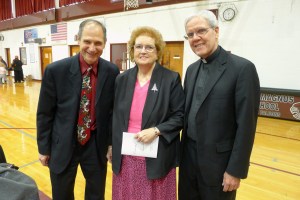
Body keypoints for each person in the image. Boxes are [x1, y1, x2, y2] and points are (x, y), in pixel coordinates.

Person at [179, 10, 260, 200]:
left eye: (201, 31)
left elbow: (246, 126)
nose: (195, 38)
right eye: (190, 34)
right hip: (188, 160)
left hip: (219, 165)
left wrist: (235, 170)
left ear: (216, 31)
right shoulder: (191, 70)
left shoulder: (242, 69)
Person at [37, 19, 119, 200]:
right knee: (62, 194)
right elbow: (45, 113)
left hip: (95, 144)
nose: (92, 47)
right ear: (78, 40)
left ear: (104, 43)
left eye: (98, 43)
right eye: (87, 41)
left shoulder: (111, 71)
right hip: (63, 144)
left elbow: (112, 111)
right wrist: (44, 148)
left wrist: (111, 143)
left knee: (96, 194)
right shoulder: (55, 70)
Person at [108, 26, 185, 200]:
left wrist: (156, 130)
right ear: (132, 50)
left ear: (158, 52)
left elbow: (180, 116)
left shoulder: (170, 79)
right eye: (138, 46)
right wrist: (112, 145)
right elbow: (115, 116)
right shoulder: (122, 79)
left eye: (149, 47)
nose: (143, 51)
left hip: (156, 155)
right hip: (127, 155)